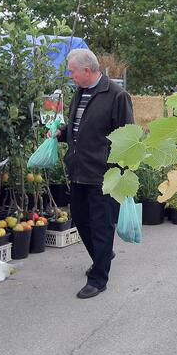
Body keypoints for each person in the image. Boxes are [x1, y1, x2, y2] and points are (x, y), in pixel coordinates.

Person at [56, 49, 134, 299]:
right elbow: (79, 125)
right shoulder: (80, 92)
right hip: (78, 169)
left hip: (104, 174)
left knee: (101, 226)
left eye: (72, 71)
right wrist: (62, 133)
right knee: (80, 218)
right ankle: (102, 255)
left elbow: (128, 136)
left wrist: (120, 173)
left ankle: (99, 278)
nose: (70, 76)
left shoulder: (117, 95)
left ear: (87, 71)